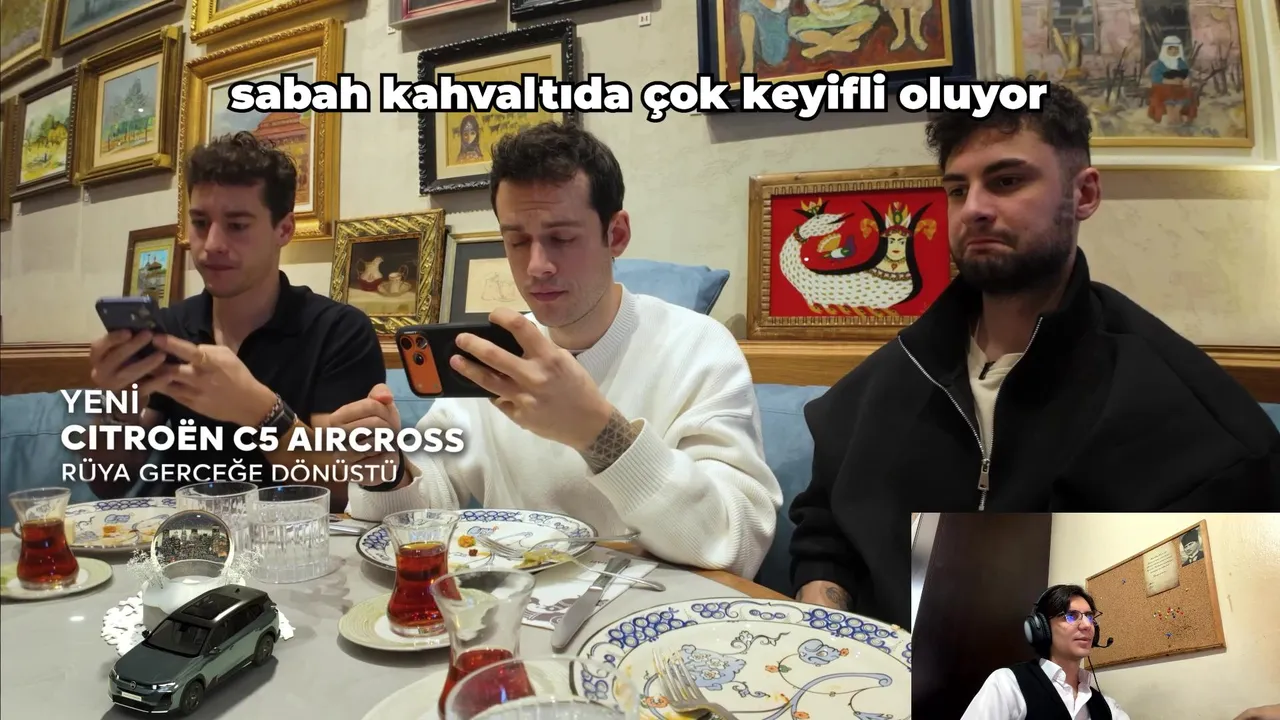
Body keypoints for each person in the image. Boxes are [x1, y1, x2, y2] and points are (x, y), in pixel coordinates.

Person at [789, 81, 1280, 625]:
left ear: (1083, 194)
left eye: (1006, 181)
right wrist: (826, 626)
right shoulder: (889, 378)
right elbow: (825, 534)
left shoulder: (1197, 422)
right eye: (958, 189)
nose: (974, 209)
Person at [333, 121, 784, 579]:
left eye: (562, 238)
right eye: (517, 241)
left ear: (616, 234)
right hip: (505, 607)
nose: (537, 266)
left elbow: (738, 544)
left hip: (648, 612)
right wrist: (386, 472)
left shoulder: (698, 347)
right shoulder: (495, 355)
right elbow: (420, 511)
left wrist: (600, 433)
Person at [83, 131, 387, 512]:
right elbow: (107, 482)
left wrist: (263, 412)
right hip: (185, 536)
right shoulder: (172, 328)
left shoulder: (339, 331)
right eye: (199, 222)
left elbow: (342, 489)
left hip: (291, 539)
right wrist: (115, 405)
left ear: (284, 230)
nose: (211, 244)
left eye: (237, 225)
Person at [961, 584, 1130, 719]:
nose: (1087, 625)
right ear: (1041, 628)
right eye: (1071, 615)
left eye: (1090, 616)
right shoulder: (1008, 684)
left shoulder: (1106, 705)